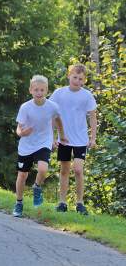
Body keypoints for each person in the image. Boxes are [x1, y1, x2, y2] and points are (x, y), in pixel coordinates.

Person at [12, 75, 67, 217]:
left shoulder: (52, 107)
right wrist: (22, 133)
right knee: (22, 175)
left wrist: (62, 136)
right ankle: (18, 203)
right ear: (31, 90)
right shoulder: (25, 107)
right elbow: (18, 129)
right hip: (26, 145)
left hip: (44, 142)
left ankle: (37, 187)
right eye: (36, 90)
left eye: (42, 90)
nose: (39, 93)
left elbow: (59, 121)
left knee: (43, 169)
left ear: (47, 91)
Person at [50, 63, 97, 215]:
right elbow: (51, 115)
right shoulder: (59, 93)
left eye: (80, 79)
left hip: (81, 140)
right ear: (69, 76)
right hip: (64, 139)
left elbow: (93, 117)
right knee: (64, 170)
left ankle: (80, 203)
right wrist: (51, 137)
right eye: (74, 77)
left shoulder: (87, 95)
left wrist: (93, 137)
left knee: (77, 169)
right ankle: (62, 202)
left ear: (84, 81)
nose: (77, 80)